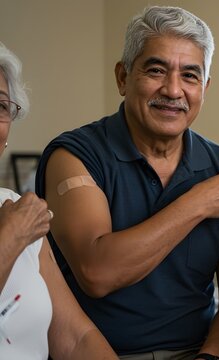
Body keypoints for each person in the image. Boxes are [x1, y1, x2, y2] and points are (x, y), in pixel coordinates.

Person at [34, 6, 219, 360]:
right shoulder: (73, 156)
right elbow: (97, 272)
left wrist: (210, 358)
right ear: (123, 77)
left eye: (190, 76)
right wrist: (197, 203)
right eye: (156, 70)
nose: (173, 90)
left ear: (205, 87)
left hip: (197, 353)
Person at [0, 42, 117, 359]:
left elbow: (76, 337)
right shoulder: (20, 221)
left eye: (0, 106)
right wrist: (12, 235)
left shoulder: (13, 204)